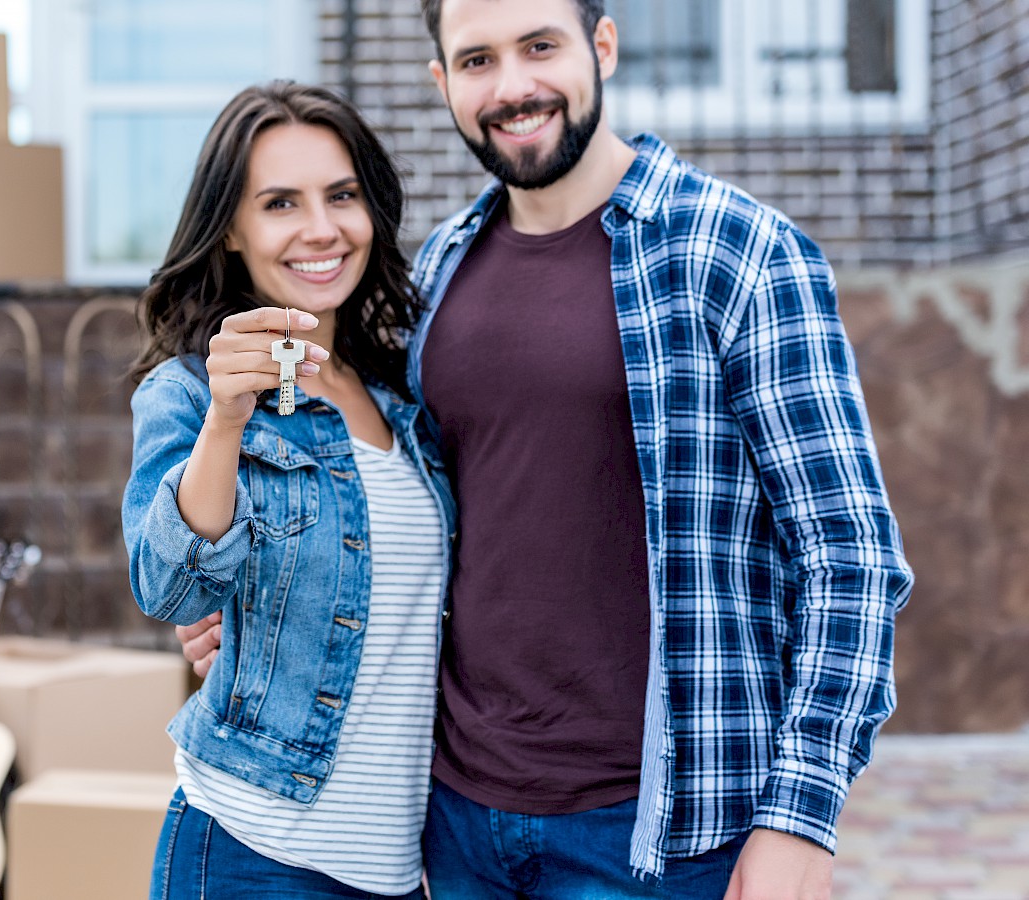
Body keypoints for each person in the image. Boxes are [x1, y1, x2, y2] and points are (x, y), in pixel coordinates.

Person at [174, 1, 915, 898]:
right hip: (453, 822)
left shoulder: (739, 254)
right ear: (444, 84)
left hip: (658, 836)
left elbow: (851, 554)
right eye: (479, 60)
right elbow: (417, 520)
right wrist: (268, 617)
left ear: (602, 46)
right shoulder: (438, 274)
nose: (514, 86)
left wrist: (803, 813)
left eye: (540, 47)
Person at [122, 81, 454, 899]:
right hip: (254, 853)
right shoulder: (192, 393)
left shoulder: (403, 398)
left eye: (341, 195)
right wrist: (227, 421)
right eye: (279, 203)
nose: (320, 228)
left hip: (403, 867)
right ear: (231, 231)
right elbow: (169, 588)